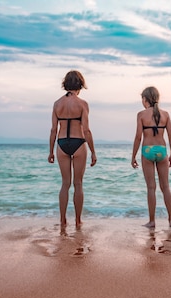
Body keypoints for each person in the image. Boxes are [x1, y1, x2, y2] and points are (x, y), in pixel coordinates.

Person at [48, 70, 97, 229]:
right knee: (78, 184)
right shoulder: (82, 104)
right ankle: (77, 220)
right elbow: (87, 130)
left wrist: (50, 151)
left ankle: (62, 219)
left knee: (65, 184)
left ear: (66, 84)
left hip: (62, 143)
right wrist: (93, 151)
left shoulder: (57, 104)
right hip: (78, 143)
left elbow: (53, 130)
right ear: (80, 84)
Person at [131, 86, 171, 228]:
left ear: (145, 99)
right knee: (166, 187)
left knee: (151, 188)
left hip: (147, 151)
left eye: (142, 99)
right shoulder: (166, 114)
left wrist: (133, 156)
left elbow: (138, 137)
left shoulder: (141, 115)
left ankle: (152, 221)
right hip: (162, 150)